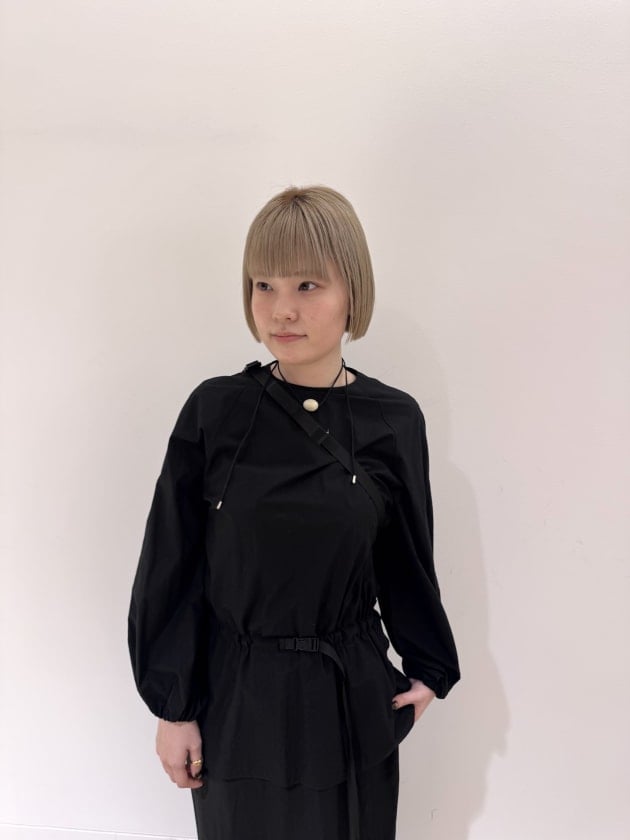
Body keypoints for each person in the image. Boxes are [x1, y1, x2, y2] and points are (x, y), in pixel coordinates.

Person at [128, 185, 460, 840]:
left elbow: (407, 559)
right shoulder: (216, 412)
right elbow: (172, 565)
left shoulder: (393, 419)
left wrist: (428, 669)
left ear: (352, 292)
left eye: (308, 284)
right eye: (264, 285)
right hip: (236, 700)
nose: (281, 309)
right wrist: (174, 708)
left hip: (348, 700)